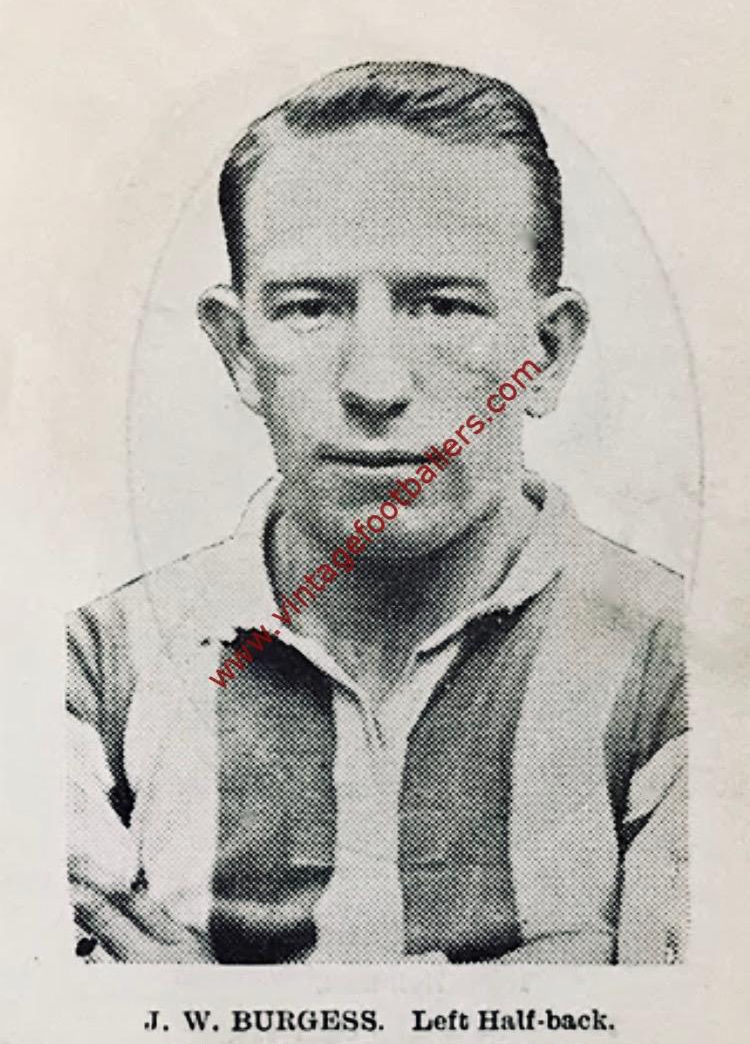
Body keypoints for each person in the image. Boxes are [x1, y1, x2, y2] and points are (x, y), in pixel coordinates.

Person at [67, 60, 688, 964]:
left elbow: (686, 1028)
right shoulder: (94, 667)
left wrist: (208, 1002)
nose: (374, 383)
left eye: (443, 306)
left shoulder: (685, 664)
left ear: (546, 355)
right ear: (239, 352)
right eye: (311, 308)